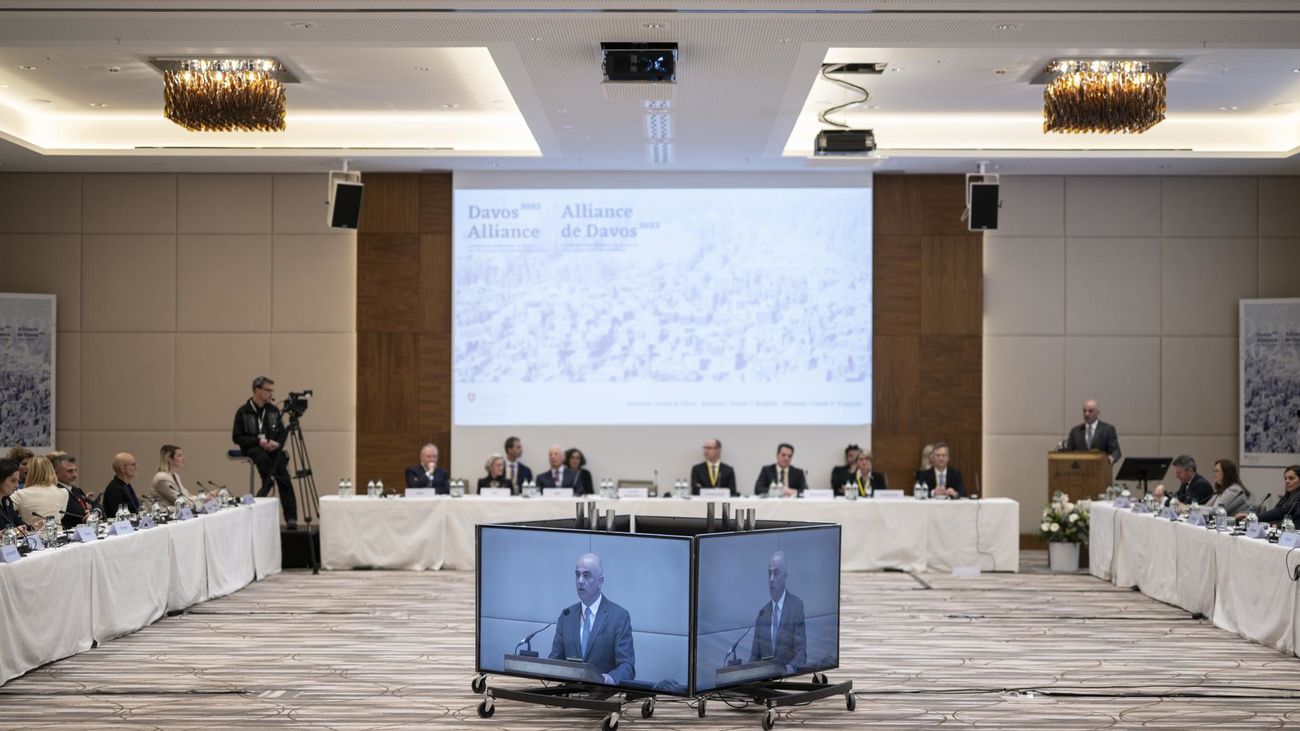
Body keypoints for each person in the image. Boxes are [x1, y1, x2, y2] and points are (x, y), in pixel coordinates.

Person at [549, 553, 635, 685]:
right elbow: (555, 661)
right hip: (569, 695)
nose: (580, 581)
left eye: (586, 575)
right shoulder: (567, 615)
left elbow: (627, 666)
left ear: (600, 581)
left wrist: (608, 679)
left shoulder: (619, 617)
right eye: (577, 575)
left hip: (603, 697)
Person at [232, 375, 298, 527]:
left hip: (272, 447)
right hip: (254, 448)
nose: (271, 394)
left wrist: (277, 444)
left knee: (283, 473)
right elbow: (237, 437)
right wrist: (258, 441)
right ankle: (266, 490)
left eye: (271, 390)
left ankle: (291, 517)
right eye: (268, 390)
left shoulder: (273, 410)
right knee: (263, 460)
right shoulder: (243, 411)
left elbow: (282, 432)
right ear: (257, 390)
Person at [748, 551, 807, 675]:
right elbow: (754, 658)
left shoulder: (796, 606)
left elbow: (801, 653)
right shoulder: (762, 614)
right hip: (765, 682)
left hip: (789, 679)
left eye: (776, 573)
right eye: (769, 573)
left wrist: (788, 670)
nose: (771, 579)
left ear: (785, 576)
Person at [11, 456, 70, 527]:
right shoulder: (63, 492)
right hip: (58, 536)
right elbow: (60, 516)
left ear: (30, 472)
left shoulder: (20, 494)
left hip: (32, 537)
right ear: (51, 470)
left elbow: (4, 511)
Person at [1063, 399, 1122, 464]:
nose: (1087, 414)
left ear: (1098, 412)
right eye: (1084, 411)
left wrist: (1110, 459)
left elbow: (1116, 451)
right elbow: (1068, 453)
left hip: (1101, 470)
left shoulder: (1107, 430)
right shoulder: (1075, 431)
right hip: (1080, 471)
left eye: (1090, 411)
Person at [50, 452, 98, 528]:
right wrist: (89, 513)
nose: (75, 475)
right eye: (70, 471)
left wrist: (95, 512)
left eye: (75, 470)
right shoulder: (55, 491)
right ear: (56, 473)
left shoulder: (76, 490)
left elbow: (97, 505)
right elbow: (79, 513)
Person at [102, 452, 143, 518]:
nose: (136, 467)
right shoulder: (114, 489)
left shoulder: (126, 485)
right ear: (123, 468)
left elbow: (135, 510)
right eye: (133, 465)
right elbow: (122, 516)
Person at [0, 458, 29, 530]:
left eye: (17, 481)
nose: (17, 485)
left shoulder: (7, 500)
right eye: (13, 480)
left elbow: (18, 523)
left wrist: (32, 527)